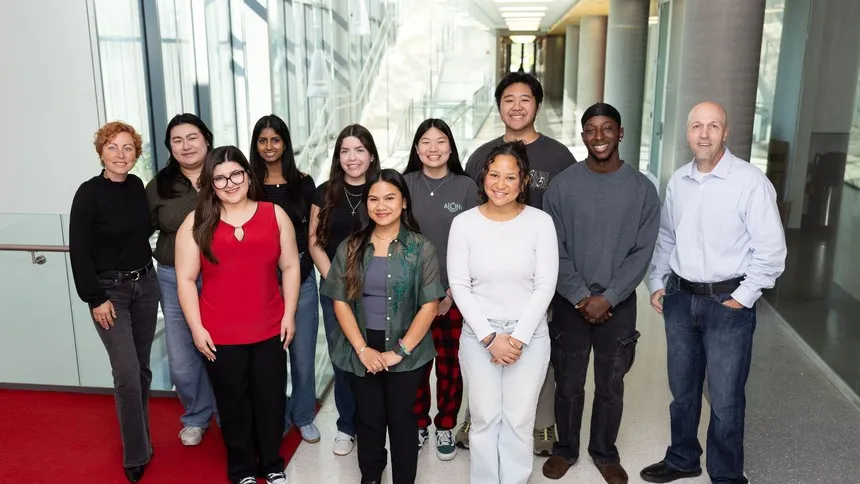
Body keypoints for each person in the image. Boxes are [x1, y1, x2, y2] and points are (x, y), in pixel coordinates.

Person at [640, 102, 786, 484]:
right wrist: (658, 283)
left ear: (726, 133)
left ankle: (726, 476)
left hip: (728, 303)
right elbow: (667, 237)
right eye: (696, 126)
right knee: (682, 392)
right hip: (680, 299)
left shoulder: (750, 182)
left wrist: (745, 295)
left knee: (724, 400)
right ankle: (683, 458)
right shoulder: (679, 182)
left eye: (713, 126)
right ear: (687, 132)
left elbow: (771, 250)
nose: (704, 134)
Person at [541, 103, 660, 484]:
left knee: (611, 383)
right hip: (569, 301)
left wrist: (608, 296)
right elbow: (552, 248)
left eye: (607, 129)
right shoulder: (562, 186)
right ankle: (566, 450)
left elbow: (642, 252)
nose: (599, 137)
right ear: (582, 136)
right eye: (591, 130)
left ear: (620, 133)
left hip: (618, 304)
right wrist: (579, 294)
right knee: (569, 381)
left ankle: (605, 452)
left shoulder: (642, 189)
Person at [459, 70, 576, 454]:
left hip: (540, 273)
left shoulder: (559, 155)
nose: (516, 106)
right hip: (492, 277)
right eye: (508, 99)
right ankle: (476, 421)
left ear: (537, 105)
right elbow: (469, 215)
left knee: (539, 354)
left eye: (525, 99)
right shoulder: (481, 155)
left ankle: (540, 428)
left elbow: (569, 218)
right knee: (483, 363)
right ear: (498, 106)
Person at [175, 146, 301, 484]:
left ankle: (272, 464)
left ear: (248, 175)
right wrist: (196, 328)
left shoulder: (274, 214)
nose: (229, 183)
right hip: (219, 334)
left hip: (269, 327)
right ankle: (242, 469)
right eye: (219, 178)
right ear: (210, 183)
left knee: (271, 400)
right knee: (233, 405)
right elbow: (185, 280)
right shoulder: (196, 222)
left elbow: (290, 266)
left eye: (236, 174)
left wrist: (289, 315)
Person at [321, 169, 445, 484]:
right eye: (373, 199)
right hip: (361, 344)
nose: (381, 206)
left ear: (404, 202)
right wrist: (362, 349)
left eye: (390, 198)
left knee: (403, 419)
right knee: (369, 419)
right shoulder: (351, 246)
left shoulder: (421, 248)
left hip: (408, 347)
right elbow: (340, 301)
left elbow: (429, 305)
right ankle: (371, 477)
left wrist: (400, 351)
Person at [448, 141, 559, 484]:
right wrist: (490, 338)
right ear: (483, 177)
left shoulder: (540, 223)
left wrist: (517, 338)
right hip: (480, 335)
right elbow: (460, 286)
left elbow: (545, 285)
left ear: (523, 181)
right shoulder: (464, 224)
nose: (500, 184)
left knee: (518, 419)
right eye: (494, 175)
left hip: (529, 335)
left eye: (510, 177)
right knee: (483, 418)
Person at [69, 121, 160, 483]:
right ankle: (136, 453)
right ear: (101, 152)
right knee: (125, 373)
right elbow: (79, 251)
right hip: (111, 294)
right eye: (113, 147)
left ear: (136, 154)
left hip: (145, 285)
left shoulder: (137, 186)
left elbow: (143, 234)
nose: (121, 155)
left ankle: (144, 436)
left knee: (141, 369)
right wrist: (95, 298)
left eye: (128, 148)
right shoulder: (88, 193)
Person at [402, 118, 477, 460]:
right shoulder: (403, 185)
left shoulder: (465, 187)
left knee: (450, 365)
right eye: (426, 142)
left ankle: (445, 424)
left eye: (441, 141)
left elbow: (475, 244)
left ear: (451, 147)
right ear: (416, 148)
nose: (433, 148)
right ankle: (417, 422)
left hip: (453, 296)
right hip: (411, 297)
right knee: (415, 363)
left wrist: (450, 293)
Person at [309, 124, 381, 456]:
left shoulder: (382, 190)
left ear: (370, 155)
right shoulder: (324, 193)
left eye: (359, 150)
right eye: (345, 151)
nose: (352, 158)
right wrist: (336, 284)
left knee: (373, 353)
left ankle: (375, 423)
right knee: (343, 358)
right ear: (338, 157)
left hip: (378, 289)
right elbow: (314, 243)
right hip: (335, 289)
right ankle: (346, 426)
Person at [146, 113, 217, 447]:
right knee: (182, 359)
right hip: (174, 279)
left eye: (192, 137)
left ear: (206, 139)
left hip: (222, 277)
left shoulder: (224, 175)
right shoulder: (158, 185)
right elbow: (137, 232)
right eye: (177, 140)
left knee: (227, 350)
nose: (186, 145)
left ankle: (231, 412)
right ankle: (197, 415)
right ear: (169, 147)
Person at [250, 114, 321, 443]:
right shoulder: (247, 184)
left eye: (275, 140)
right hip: (260, 286)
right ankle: (276, 417)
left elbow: (311, 234)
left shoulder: (303, 183)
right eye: (262, 140)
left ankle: (304, 414)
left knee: (303, 358)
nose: (269, 147)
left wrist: (304, 271)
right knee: (270, 362)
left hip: (301, 282)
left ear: (285, 143)